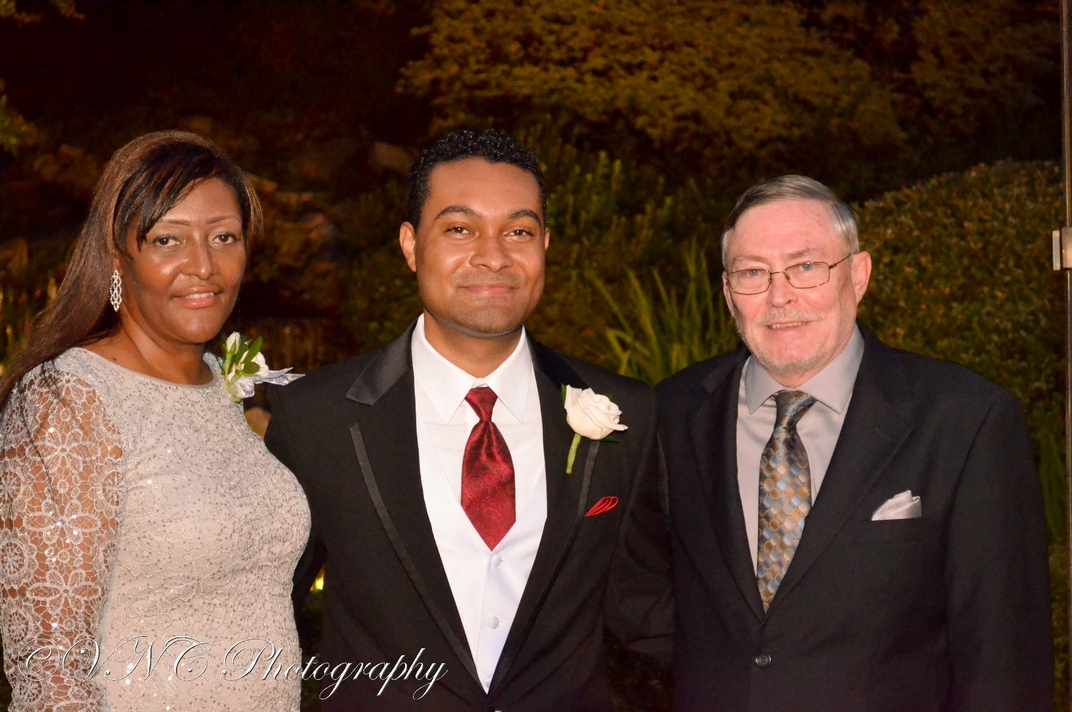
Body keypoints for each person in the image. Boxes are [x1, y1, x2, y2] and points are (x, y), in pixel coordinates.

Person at [264, 129, 672, 710]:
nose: (493, 255)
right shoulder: (315, 417)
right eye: (460, 229)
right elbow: (264, 613)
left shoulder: (627, 412)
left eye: (518, 231)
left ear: (545, 245)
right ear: (410, 245)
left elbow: (646, 608)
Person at [657, 175, 1053, 711]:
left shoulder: (965, 420)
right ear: (728, 294)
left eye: (806, 267)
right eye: (752, 273)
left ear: (859, 275)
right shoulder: (672, 413)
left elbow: (1003, 657)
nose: (780, 295)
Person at [0, 131, 310, 710]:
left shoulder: (221, 384)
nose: (204, 266)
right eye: (169, 240)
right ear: (118, 259)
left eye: (224, 237)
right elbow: (49, 668)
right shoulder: (67, 400)